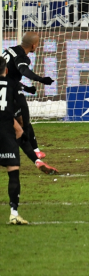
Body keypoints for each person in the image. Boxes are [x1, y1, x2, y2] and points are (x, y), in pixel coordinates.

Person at [1, 32, 58, 175]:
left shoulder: (10, 50)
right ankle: (33, 153)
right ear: (33, 45)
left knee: (20, 121)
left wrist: (26, 88)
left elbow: (10, 76)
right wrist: (41, 79)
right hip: (8, 92)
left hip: (7, 87)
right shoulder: (22, 57)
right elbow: (23, 70)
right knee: (22, 121)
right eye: (37, 44)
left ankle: (36, 152)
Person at [0, 56, 28, 225]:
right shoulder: (12, 85)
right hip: (6, 132)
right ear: (7, 70)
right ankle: (14, 213)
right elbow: (18, 113)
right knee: (13, 171)